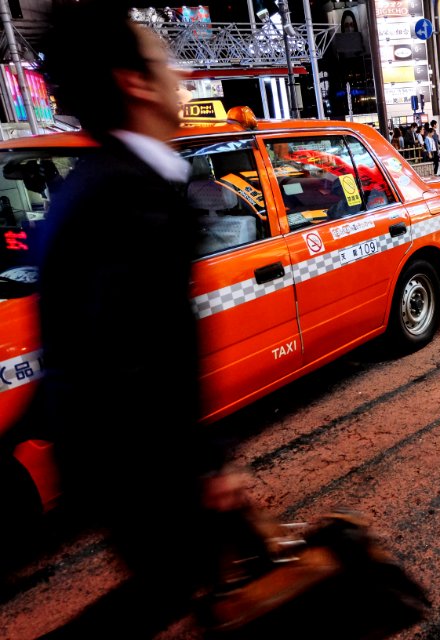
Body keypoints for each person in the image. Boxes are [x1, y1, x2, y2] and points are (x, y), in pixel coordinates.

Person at [35, 5, 249, 636]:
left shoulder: (103, 182)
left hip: (114, 453)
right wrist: (205, 464)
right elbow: (134, 357)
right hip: (135, 459)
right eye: (162, 61)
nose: (177, 73)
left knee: (179, 583)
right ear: (133, 82)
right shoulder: (126, 198)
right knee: (175, 586)